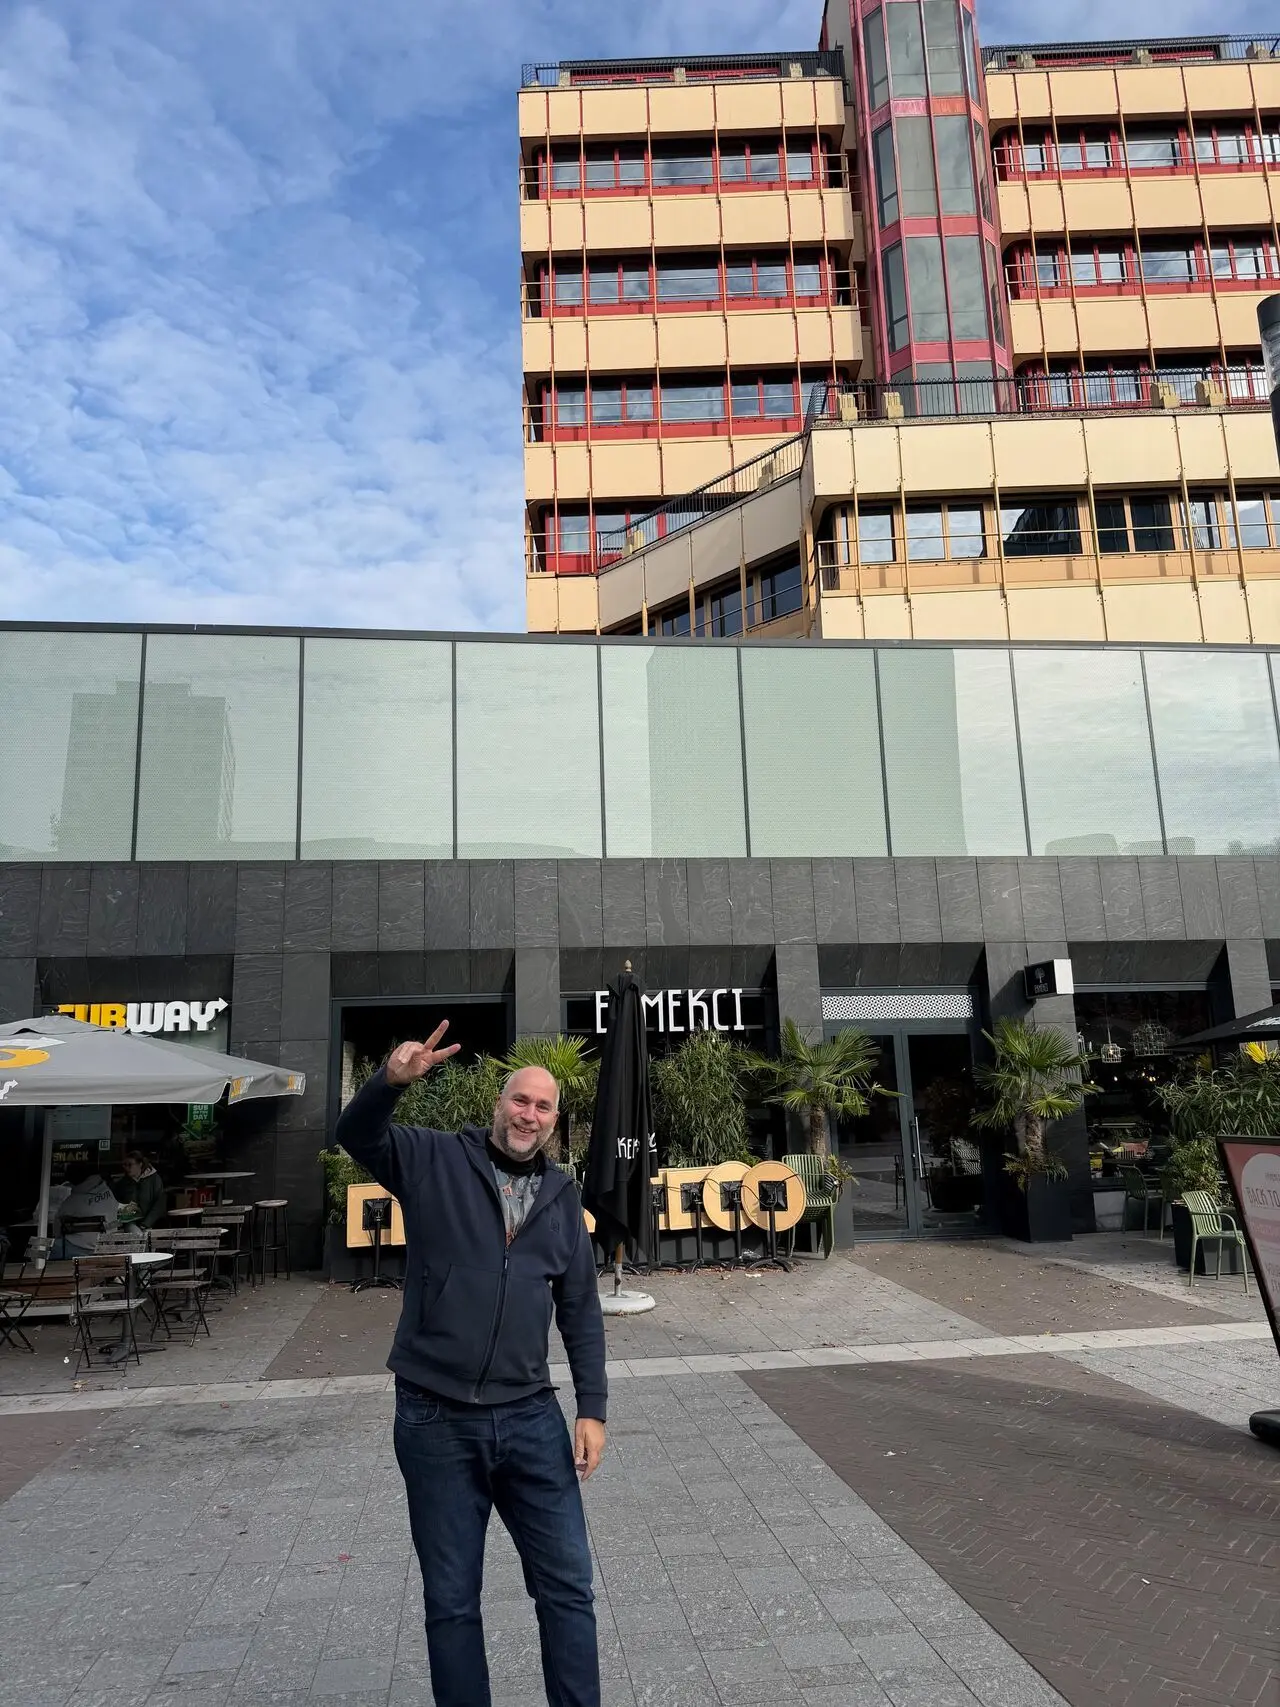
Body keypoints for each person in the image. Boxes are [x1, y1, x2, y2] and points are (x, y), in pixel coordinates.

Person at [335, 1022, 607, 1707]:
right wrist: (389, 1082)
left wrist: (593, 1408)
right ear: (498, 1103)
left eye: (543, 1106)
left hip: (530, 1416)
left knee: (568, 1586)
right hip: (436, 1416)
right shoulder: (433, 1159)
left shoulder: (562, 1197)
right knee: (452, 1599)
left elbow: (579, 1308)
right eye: (520, 1099)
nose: (529, 1114)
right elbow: (356, 1134)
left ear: (553, 1121)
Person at [51, 1164, 119, 1256]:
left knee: (46, 1248)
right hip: (105, 1247)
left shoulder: (70, 1202)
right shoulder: (110, 1194)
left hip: (74, 1249)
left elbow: (57, 1230)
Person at [117, 1152, 165, 1231]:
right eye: (125, 1165)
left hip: (151, 1224)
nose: (126, 1168)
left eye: (130, 1165)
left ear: (140, 1164)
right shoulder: (123, 1183)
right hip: (131, 1224)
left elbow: (159, 1204)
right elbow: (120, 1204)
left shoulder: (154, 1179)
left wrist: (146, 1224)